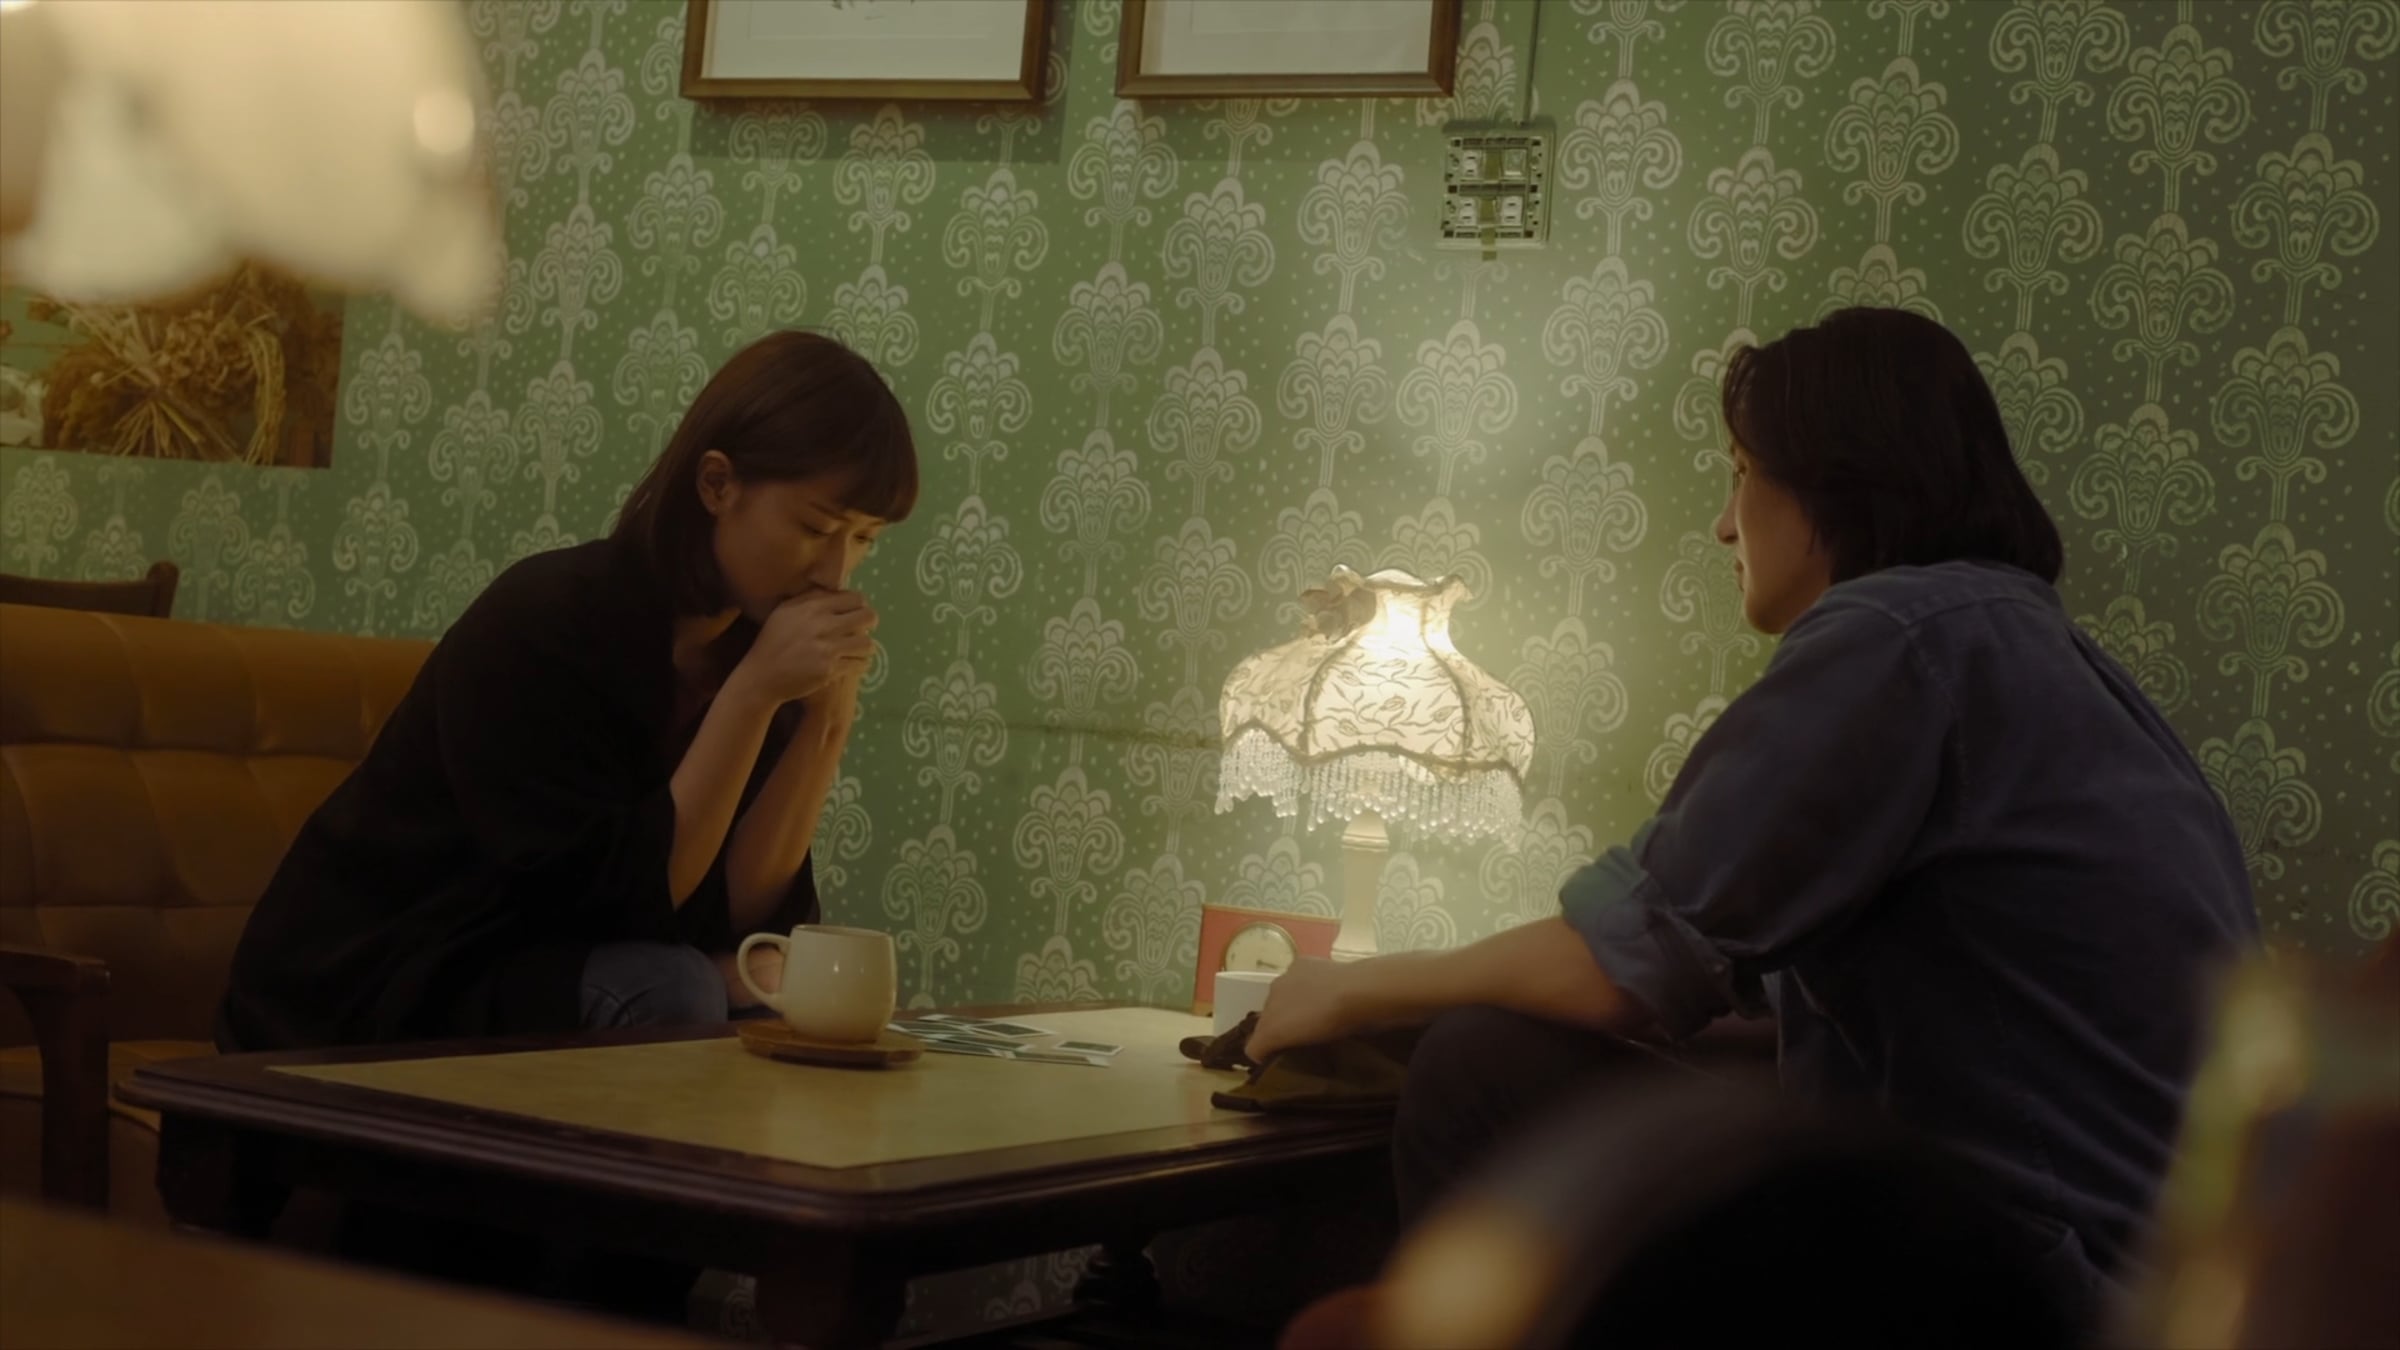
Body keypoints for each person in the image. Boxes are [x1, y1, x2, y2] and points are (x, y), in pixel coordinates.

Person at [1250, 307, 2258, 1337]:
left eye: (1741, 473)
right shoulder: (2027, 648)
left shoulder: (1898, 641)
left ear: (1833, 484)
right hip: (2154, 1286)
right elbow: (1739, 992)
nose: (1724, 526)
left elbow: (1619, 965)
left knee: (1479, 1065)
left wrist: (1353, 986)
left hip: (2032, 1285)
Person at [219, 330, 916, 1053]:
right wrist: (752, 696)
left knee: (786, 987)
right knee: (676, 987)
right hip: (376, 982)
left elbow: (739, 918)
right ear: (717, 485)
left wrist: (825, 723)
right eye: (816, 527)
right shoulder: (549, 622)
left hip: (538, 969)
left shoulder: (753, 646)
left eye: (864, 539)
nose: (836, 573)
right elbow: (619, 904)